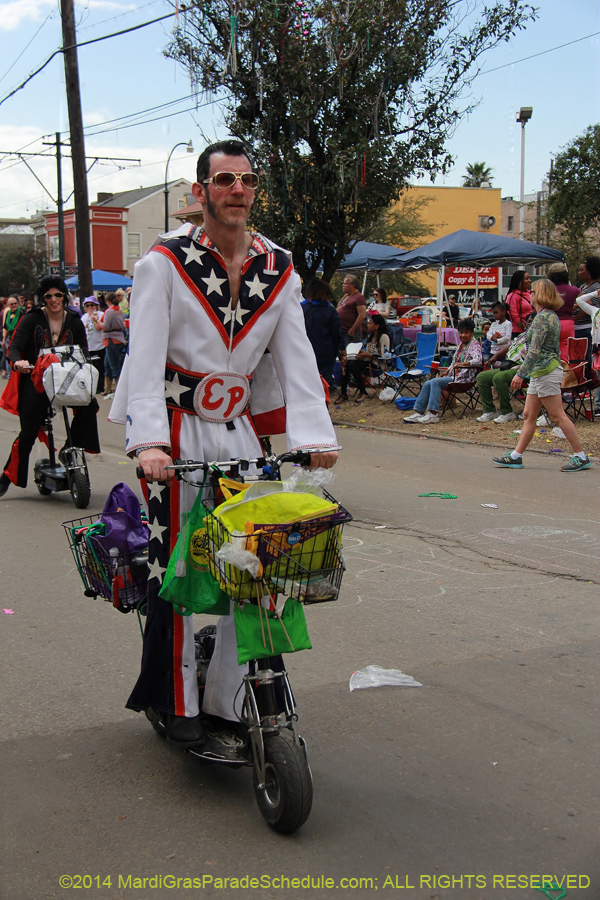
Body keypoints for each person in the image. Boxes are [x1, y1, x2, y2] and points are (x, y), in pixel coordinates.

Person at [108, 139, 338, 745]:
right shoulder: (163, 261)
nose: (238, 189)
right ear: (201, 191)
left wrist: (315, 437)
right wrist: (147, 443)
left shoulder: (278, 266)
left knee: (256, 564)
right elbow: (144, 355)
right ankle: (177, 700)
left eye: (247, 180)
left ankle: (233, 700)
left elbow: (296, 355)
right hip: (175, 431)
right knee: (177, 567)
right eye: (225, 179)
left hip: (240, 432)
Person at [0, 277, 100, 497]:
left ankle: (69, 449)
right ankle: (7, 476)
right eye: (49, 296)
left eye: (58, 295)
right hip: (36, 380)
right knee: (28, 431)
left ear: (64, 296)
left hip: (67, 379)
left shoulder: (74, 319)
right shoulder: (31, 318)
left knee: (89, 404)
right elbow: (14, 347)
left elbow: (83, 349)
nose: (54, 299)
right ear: (42, 298)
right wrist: (18, 362)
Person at [492, 279, 590, 472]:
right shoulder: (546, 316)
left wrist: (520, 374)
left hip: (546, 371)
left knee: (557, 415)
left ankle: (580, 456)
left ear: (540, 295)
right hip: (541, 371)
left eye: (533, 291)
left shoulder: (543, 318)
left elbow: (535, 350)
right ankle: (516, 456)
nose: (530, 294)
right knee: (529, 415)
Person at [403, 318, 482, 424]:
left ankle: (433, 414)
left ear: (472, 333)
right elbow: (454, 362)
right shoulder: (461, 345)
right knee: (428, 383)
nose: (463, 335)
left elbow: (478, 360)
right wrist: (447, 372)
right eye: (461, 332)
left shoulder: (474, 345)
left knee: (435, 382)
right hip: (454, 376)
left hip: (464, 379)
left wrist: (463, 364)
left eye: (466, 332)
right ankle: (419, 412)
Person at [301, 277, 346, 388]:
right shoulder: (330, 311)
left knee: (307, 383)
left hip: (306, 351)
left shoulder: (301, 309)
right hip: (326, 353)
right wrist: (343, 352)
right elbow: (338, 333)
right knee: (324, 383)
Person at [339, 313, 390, 401]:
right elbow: (368, 353)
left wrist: (367, 355)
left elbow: (385, 357)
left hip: (378, 365)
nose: (368, 325)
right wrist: (361, 354)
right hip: (368, 362)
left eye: (370, 323)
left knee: (353, 365)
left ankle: (363, 392)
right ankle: (343, 393)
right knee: (346, 363)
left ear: (377, 326)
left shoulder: (383, 337)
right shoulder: (370, 337)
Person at [573, 256, 600, 366]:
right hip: (577, 328)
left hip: (586, 328)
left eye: (581, 270)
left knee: (587, 357)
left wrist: (576, 318)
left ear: (589, 272)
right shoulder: (583, 286)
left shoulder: (596, 287)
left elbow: (590, 306)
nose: (579, 273)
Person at [102, 292, 126, 396]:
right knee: (107, 364)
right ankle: (108, 389)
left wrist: (96, 321)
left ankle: (119, 390)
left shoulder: (109, 312)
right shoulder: (120, 311)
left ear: (108, 301)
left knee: (114, 365)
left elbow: (106, 327)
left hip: (111, 340)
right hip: (119, 339)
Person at [81, 296, 105, 393]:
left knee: (100, 368)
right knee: (90, 369)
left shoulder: (101, 314)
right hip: (89, 346)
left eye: (92, 305)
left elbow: (99, 327)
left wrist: (94, 318)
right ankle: (92, 387)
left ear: (96, 306)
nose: (90, 307)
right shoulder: (84, 317)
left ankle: (100, 387)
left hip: (100, 346)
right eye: (87, 305)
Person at [337, 274, 367, 344]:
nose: (343, 285)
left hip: (350, 333)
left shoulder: (359, 297)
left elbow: (362, 315)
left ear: (353, 285)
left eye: (346, 284)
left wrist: (352, 329)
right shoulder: (346, 296)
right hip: (341, 330)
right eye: (343, 283)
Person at [505, 270, 533, 336]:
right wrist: (525, 328)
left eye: (529, 278)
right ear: (520, 282)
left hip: (532, 330)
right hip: (519, 332)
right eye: (526, 279)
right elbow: (514, 317)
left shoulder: (531, 293)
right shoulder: (512, 296)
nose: (529, 281)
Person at [2, 296, 23, 378]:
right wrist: (4, 339)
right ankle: (10, 376)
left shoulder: (21, 312)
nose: (14, 305)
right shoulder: (8, 313)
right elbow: (6, 327)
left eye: (15, 303)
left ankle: (18, 376)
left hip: (19, 339)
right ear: (8, 305)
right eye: (12, 304)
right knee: (9, 357)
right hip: (10, 338)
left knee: (17, 358)